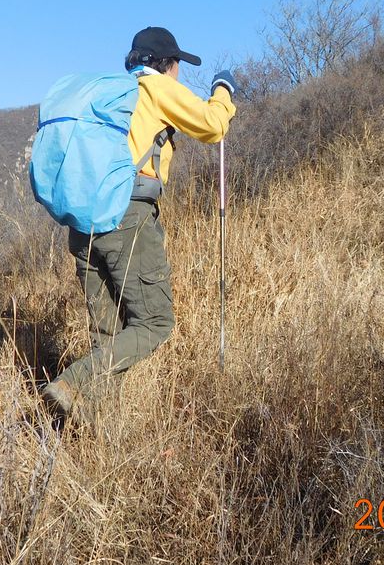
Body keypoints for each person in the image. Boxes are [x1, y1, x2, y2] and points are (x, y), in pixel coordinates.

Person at [41, 26, 237, 418]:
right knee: (154, 323)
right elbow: (213, 126)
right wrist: (223, 90)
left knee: (108, 332)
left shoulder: (112, 93)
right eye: (178, 65)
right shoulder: (155, 87)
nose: (179, 72)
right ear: (167, 64)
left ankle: (96, 429)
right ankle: (72, 383)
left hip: (82, 223)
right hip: (126, 216)